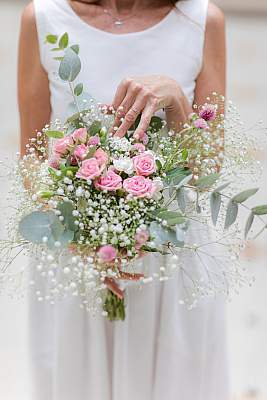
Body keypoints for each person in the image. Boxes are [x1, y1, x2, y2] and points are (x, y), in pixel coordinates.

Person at [18, 1, 228, 399]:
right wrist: (80, 238)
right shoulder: (43, 18)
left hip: (170, 253)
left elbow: (208, 173)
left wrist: (177, 102)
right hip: (77, 254)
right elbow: (31, 159)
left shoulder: (203, 22)